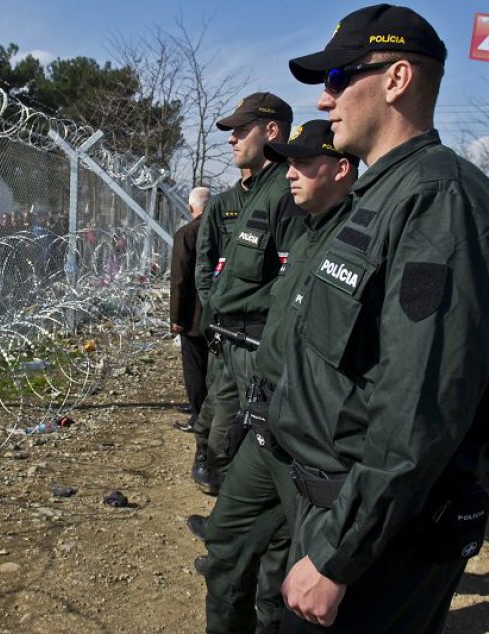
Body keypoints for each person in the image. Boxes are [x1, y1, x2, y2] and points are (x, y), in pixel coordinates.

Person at [274, 5, 489, 631]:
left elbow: (422, 404)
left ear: (396, 79)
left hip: (379, 537)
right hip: (342, 509)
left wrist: (337, 555)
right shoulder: (382, 194)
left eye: (337, 78)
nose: (326, 100)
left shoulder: (440, 201)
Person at [203, 120, 358, 634]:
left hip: (311, 443)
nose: (291, 174)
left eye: (304, 164)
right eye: (288, 163)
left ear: (341, 169)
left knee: (302, 572)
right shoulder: (310, 231)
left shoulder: (357, 239)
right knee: (226, 543)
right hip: (266, 424)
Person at [193, 91, 307, 632]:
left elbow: (290, 284)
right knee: (226, 447)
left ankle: (263, 588)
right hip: (233, 344)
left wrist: (237, 311)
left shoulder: (285, 194)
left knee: (261, 469)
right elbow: (218, 267)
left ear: (273, 132)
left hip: (261, 351)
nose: (232, 138)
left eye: (242, 129)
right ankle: (232, 549)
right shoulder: (248, 194)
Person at [191, 168, 251, 490]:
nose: (232, 140)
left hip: (253, 327)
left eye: (242, 132)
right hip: (223, 324)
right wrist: (214, 309)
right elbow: (205, 263)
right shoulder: (223, 204)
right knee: (218, 394)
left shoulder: (277, 199)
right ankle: (205, 453)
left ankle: (233, 467)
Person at [170, 186, 210, 433]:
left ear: (190, 207)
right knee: (212, 367)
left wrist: (176, 317)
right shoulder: (221, 230)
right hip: (217, 312)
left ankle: (198, 415)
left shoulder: (187, 233)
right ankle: (206, 409)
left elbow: (179, 279)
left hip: (192, 316)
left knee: (195, 367)